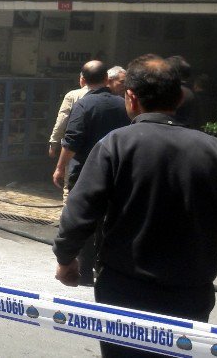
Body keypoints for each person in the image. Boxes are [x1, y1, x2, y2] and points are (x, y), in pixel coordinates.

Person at [54, 55, 217, 357]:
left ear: (130, 98)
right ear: (179, 98)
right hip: (190, 296)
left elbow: (80, 212)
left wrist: (66, 258)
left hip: (123, 292)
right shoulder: (215, 152)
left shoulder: (115, 145)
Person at [53, 60, 130, 285]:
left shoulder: (84, 105)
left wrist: (60, 167)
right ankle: (106, 268)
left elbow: (72, 140)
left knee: (85, 221)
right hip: (117, 172)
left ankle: (85, 272)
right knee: (111, 221)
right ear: (107, 79)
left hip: (86, 172)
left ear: (82, 81)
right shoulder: (122, 104)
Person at [48, 73, 87, 159]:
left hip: (74, 145)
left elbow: (62, 120)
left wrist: (54, 143)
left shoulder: (73, 95)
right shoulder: (113, 96)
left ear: (82, 79)